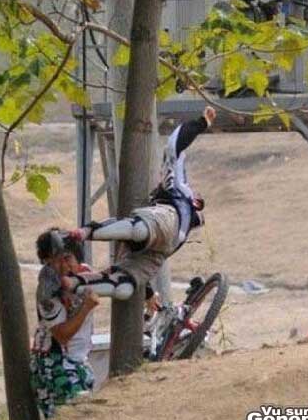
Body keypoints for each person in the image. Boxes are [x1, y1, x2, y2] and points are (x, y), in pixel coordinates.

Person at [66, 106, 217, 299]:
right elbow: (174, 146)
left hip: (157, 253)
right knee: (139, 230)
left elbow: (173, 147)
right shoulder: (176, 190)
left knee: (123, 287)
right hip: (166, 221)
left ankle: (71, 285)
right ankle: (84, 232)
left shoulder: (182, 204)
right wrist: (201, 122)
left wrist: (148, 294)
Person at [30, 229, 98, 419]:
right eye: (54, 260)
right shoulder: (47, 292)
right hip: (55, 363)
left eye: (67, 258)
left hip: (78, 360)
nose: (63, 265)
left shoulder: (84, 273)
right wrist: (86, 307)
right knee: (75, 419)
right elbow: (61, 335)